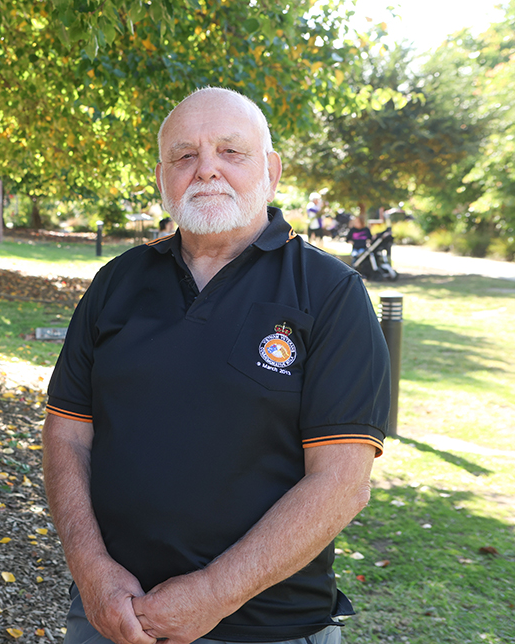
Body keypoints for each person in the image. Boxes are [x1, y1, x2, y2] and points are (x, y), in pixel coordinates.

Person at [43, 87, 390, 644]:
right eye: (185, 156)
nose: (206, 171)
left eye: (231, 152)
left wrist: (212, 594)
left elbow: (341, 484)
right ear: (162, 178)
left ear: (271, 171)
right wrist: (91, 573)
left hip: (268, 628)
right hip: (111, 617)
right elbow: (66, 438)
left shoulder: (330, 294)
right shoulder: (116, 284)